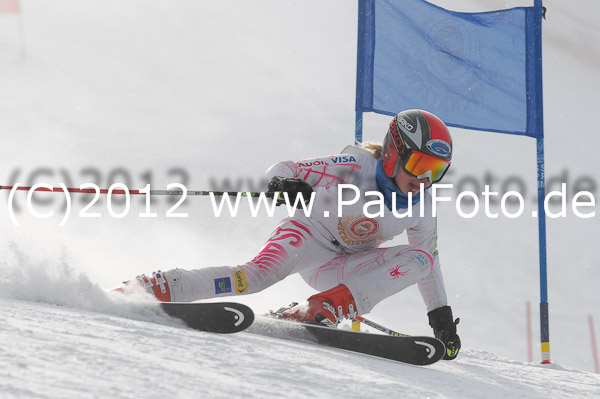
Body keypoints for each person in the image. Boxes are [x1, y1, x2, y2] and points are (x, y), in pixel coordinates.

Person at [122, 109, 461, 360]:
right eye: (419, 165)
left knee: (422, 258)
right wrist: (283, 184)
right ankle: (155, 286)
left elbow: (430, 266)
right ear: (392, 152)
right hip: (306, 237)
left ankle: (320, 309)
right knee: (255, 277)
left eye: (436, 171)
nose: (424, 179)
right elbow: (287, 168)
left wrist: (440, 318)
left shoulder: (423, 206)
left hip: (344, 268)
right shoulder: (354, 166)